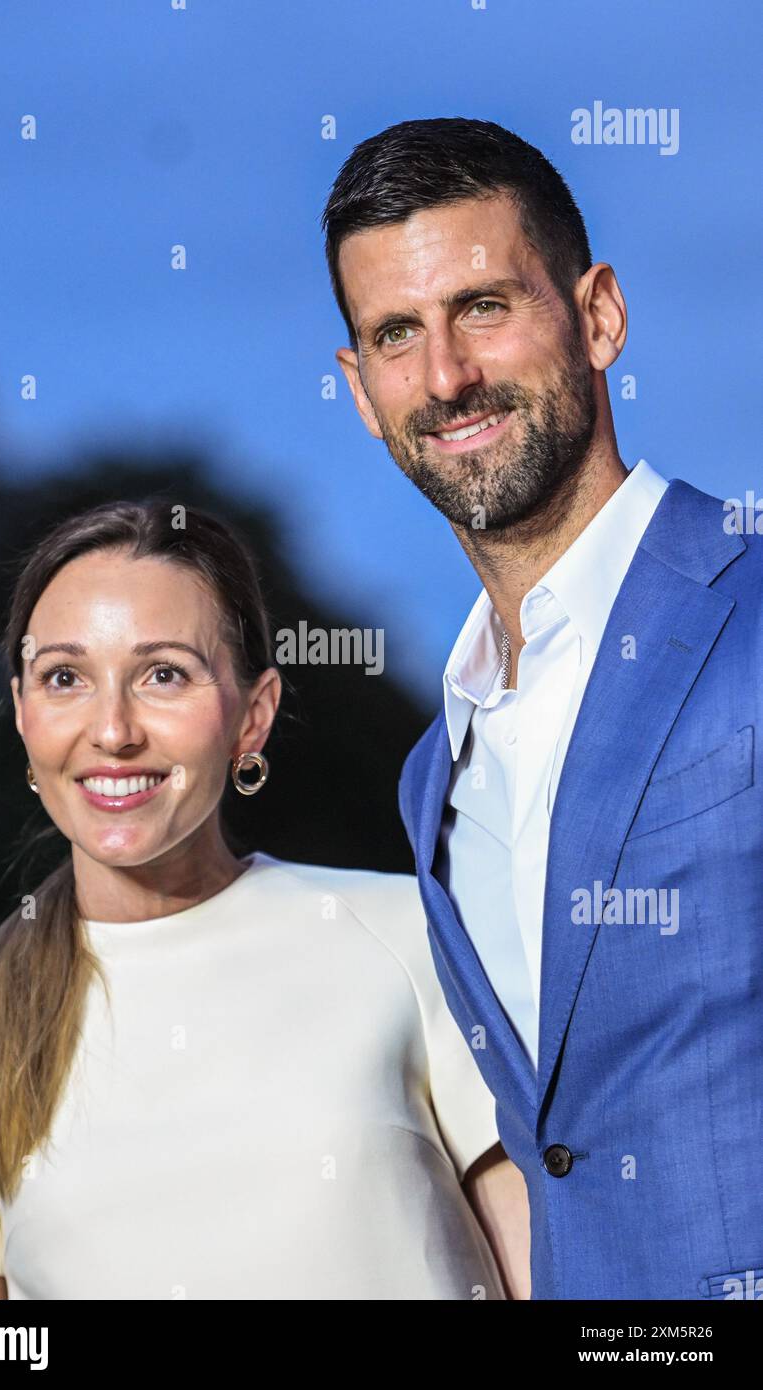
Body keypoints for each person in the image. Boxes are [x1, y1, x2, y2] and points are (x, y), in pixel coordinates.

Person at [323, 115, 763, 1301]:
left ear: (598, 316)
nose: (445, 376)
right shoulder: (435, 770)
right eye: (394, 335)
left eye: (483, 306)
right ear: (359, 392)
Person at [0, 498, 525, 1301]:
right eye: (65, 678)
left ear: (252, 718)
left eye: (164, 674)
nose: (113, 729)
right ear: (23, 713)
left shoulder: (414, 938)